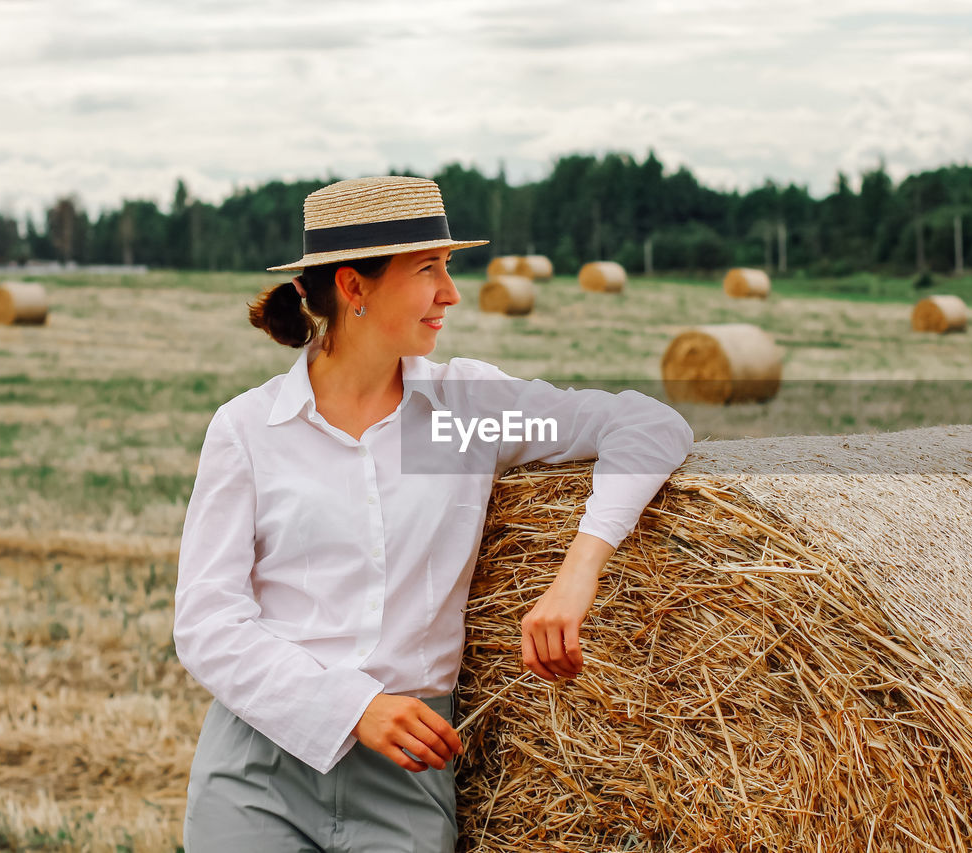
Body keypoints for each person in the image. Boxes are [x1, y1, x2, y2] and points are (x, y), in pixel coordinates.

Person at [173, 176, 693, 852]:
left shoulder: (463, 413)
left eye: (448, 267)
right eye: (428, 269)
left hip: (408, 773)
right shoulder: (250, 428)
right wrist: (351, 706)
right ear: (354, 288)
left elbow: (651, 425)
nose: (450, 292)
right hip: (259, 765)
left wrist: (578, 573)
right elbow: (206, 622)